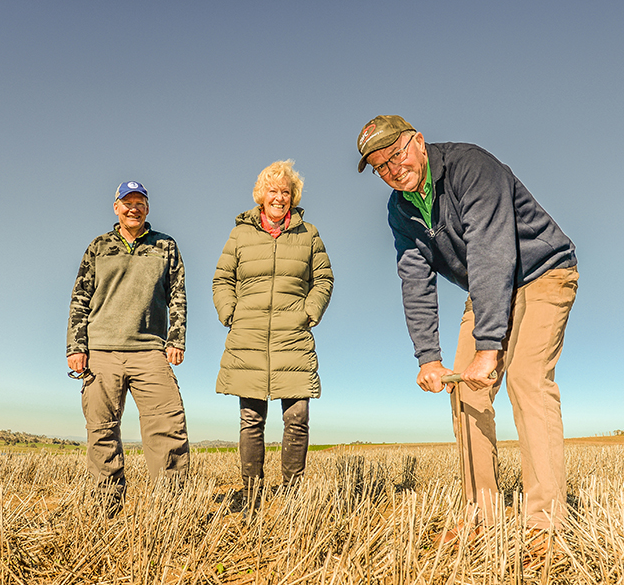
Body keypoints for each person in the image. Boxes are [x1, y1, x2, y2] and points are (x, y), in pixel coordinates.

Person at [356, 115, 578, 534]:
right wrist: (428, 357)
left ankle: (544, 523)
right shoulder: (400, 210)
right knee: (466, 394)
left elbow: (490, 251)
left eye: (396, 155)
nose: (391, 169)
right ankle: (482, 512)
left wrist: (488, 347)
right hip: (487, 289)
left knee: (527, 381)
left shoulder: (470, 167)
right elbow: (414, 278)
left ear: (418, 142)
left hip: (542, 272)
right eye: (380, 166)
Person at [213, 160, 334, 505]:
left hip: (292, 335)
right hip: (247, 336)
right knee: (251, 419)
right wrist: (230, 313)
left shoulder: (309, 234)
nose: (279, 197)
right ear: (261, 195)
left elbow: (323, 279)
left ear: (293, 198)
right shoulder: (240, 234)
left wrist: (308, 313)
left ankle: (293, 498)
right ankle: (253, 496)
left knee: (297, 418)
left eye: (285, 192)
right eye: (273, 190)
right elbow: (222, 279)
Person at [66, 180, 190, 514]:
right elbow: (80, 298)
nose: (133, 208)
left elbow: (177, 295)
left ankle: (169, 510)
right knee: (102, 431)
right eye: (126, 203)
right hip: (101, 351)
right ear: (116, 207)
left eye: (139, 203)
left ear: (147, 208)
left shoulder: (165, 246)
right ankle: (106, 508)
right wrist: (76, 346)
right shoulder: (98, 247)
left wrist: (176, 340)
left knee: (168, 427)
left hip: (150, 351)